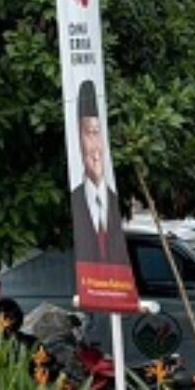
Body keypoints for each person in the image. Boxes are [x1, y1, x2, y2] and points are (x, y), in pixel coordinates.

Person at [70, 79, 126, 265]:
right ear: (78, 139)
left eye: (98, 133)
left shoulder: (114, 200)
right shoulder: (75, 200)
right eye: (89, 134)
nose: (96, 147)